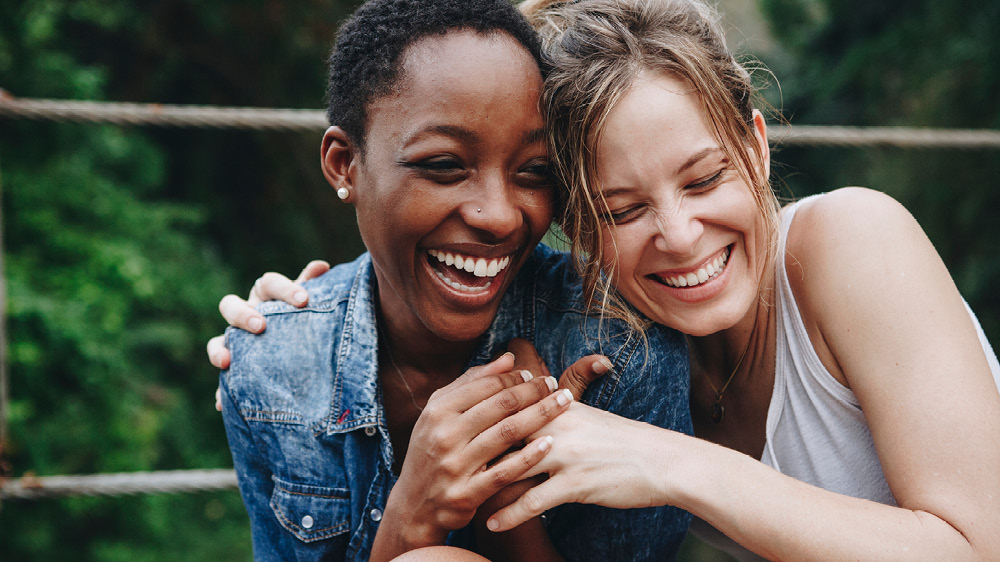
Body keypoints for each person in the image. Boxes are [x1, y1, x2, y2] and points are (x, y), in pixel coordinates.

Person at [222, 0, 1000, 560]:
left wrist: (668, 461)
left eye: (703, 180)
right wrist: (307, 322)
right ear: (575, 227)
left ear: (757, 148)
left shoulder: (850, 240)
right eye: (622, 209)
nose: (679, 235)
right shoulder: (628, 340)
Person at [214, 1, 691, 561]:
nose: (499, 217)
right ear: (345, 164)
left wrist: (507, 492)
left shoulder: (620, 351)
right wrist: (411, 516)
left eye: (534, 172)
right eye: (444, 165)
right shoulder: (273, 370)